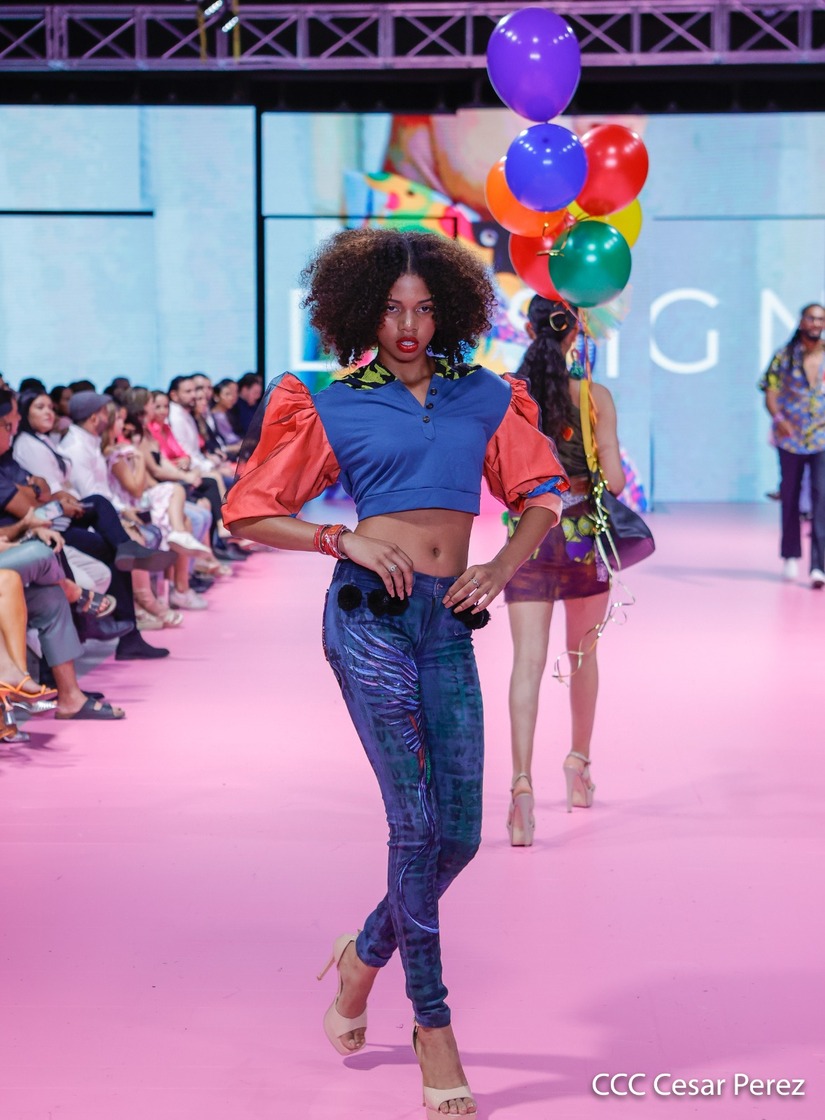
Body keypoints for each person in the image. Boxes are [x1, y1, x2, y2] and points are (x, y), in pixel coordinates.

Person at [224, 228, 567, 1119]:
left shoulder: (484, 393)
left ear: (446, 311)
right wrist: (338, 537)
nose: (407, 326)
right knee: (414, 826)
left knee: (459, 836)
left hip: (449, 619)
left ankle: (361, 956)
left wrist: (500, 566)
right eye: (389, 310)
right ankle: (433, 1026)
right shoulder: (329, 401)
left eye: (421, 309)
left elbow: (542, 496)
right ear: (361, 314)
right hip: (367, 618)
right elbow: (249, 512)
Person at [503, 298, 625, 843]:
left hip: (525, 539)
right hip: (582, 539)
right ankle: (578, 764)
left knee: (526, 664)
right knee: (582, 657)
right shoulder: (594, 396)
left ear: (529, 330)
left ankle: (521, 788)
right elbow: (615, 481)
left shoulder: (510, 397)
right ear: (576, 333)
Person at [760, 303, 825, 587]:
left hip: (821, 437)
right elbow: (770, 392)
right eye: (811, 318)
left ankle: (819, 566)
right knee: (790, 494)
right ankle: (790, 554)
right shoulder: (784, 356)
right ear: (801, 322)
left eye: (821, 319)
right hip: (790, 438)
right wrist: (778, 418)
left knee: (822, 497)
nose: (816, 323)